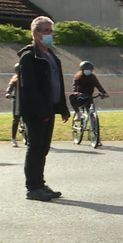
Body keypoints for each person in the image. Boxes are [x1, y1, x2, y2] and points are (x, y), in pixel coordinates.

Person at [16, 16, 70, 201]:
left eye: (51, 31)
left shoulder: (51, 55)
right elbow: (29, 88)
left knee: (44, 148)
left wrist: (62, 107)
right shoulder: (29, 57)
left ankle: (40, 183)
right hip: (36, 112)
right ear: (35, 33)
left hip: (49, 109)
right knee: (35, 148)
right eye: (46, 31)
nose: (49, 34)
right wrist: (41, 112)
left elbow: (57, 84)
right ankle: (33, 187)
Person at [5, 63, 20, 147]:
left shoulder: (28, 78)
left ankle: (28, 137)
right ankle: (13, 138)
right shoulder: (14, 79)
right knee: (16, 119)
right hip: (17, 101)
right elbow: (10, 88)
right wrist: (8, 93)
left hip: (26, 102)